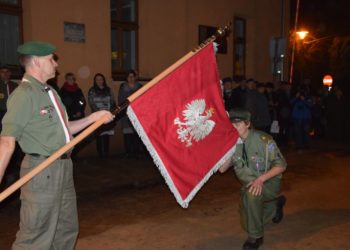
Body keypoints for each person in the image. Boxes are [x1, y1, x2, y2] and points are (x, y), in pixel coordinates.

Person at [0, 41, 114, 250]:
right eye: (51, 59)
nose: (55, 64)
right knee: (36, 236)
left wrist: (93, 118)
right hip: (41, 171)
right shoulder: (24, 95)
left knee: (65, 230)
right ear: (36, 61)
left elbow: (65, 129)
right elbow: (7, 141)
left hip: (63, 167)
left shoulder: (49, 92)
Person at [219, 108, 287, 250]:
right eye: (231, 124)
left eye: (237, 124)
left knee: (252, 196)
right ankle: (275, 207)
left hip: (269, 182)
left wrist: (260, 179)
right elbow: (222, 169)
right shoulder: (233, 142)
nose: (234, 127)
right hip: (249, 184)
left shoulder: (263, 140)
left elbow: (281, 165)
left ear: (248, 124)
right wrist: (227, 149)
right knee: (246, 221)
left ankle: (256, 236)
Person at [88, 73, 117, 158]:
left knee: (106, 135)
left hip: (107, 116)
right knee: (99, 135)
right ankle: (101, 154)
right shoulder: (92, 90)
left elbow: (112, 101)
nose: (99, 81)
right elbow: (91, 103)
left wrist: (110, 113)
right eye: (97, 79)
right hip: (98, 117)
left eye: (101, 79)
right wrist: (99, 114)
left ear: (103, 80)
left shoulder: (108, 90)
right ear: (95, 81)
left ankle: (106, 153)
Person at [118, 70, 143, 158]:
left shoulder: (140, 87)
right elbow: (121, 100)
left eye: (133, 76)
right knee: (127, 133)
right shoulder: (123, 87)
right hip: (126, 113)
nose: (131, 78)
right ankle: (128, 152)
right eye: (129, 76)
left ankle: (137, 151)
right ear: (127, 78)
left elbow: (142, 99)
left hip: (137, 113)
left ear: (135, 77)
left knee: (136, 133)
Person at [0, 64, 18, 131]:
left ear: (10, 73)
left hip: (12, 112)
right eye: (2, 72)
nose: (5, 73)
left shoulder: (15, 85)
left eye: (7, 71)